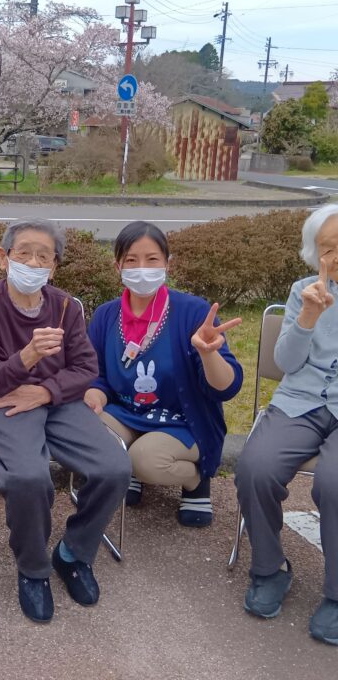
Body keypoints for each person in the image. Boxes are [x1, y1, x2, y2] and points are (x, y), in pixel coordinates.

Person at [0, 218, 131, 624]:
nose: (33, 262)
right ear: (3, 258)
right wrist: (27, 358)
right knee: (27, 477)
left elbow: (86, 367)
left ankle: (73, 552)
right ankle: (33, 569)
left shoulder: (65, 306)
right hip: (2, 400)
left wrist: (45, 390)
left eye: (44, 256)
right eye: (24, 253)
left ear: (53, 267)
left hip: (56, 400)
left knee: (115, 466)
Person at [85, 221, 243, 528]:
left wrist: (209, 354)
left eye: (152, 259)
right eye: (131, 260)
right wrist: (94, 392)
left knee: (145, 460)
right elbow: (96, 374)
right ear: (118, 265)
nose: (141, 268)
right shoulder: (106, 314)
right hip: (127, 413)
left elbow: (226, 388)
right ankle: (126, 468)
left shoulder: (193, 312)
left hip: (184, 420)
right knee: (82, 429)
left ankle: (195, 480)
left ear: (168, 263)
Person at [235, 204, 338, 645]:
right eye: (327, 248)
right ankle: (270, 569)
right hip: (299, 403)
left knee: (333, 483)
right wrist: (308, 318)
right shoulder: (304, 291)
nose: (335, 256)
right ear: (314, 254)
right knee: (254, 466)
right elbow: (286, 363)